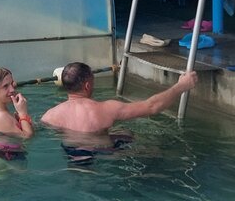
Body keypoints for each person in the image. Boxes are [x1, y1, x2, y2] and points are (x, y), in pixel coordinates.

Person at [40, 62, 198, 148]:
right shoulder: (106, 109)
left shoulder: (50, 115)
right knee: (155, 150)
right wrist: (181, 86)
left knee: (123, 132)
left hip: (70, 151)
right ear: (87, 85)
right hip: (103, 152)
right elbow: (152, 107)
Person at [0, 66, 35, 159]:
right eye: (5, 86)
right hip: (9, 163)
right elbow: (28, 137)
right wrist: (23, 113)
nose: (12, 90)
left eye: (12, 84)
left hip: (2, 157)